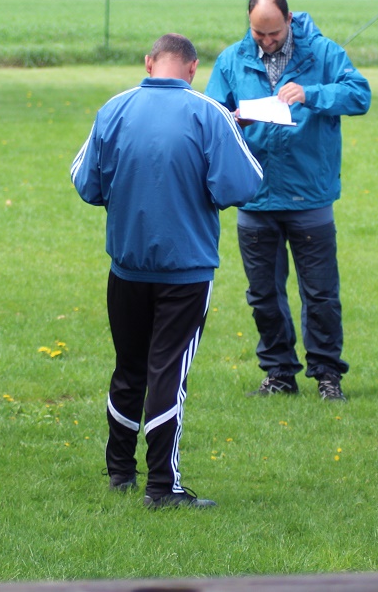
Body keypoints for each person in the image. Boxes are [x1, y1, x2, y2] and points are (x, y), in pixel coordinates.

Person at [71, 33, 263, 509]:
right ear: (193, 69)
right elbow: (245, 183)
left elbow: (85, 182)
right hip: (186, 269)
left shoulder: (113, 109)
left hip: (128, 267)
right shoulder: (209, 114)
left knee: (129, 368)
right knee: (167, 373)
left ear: (149, 63)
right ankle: (163, 486)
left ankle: (120, 471)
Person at [205, 0, 371, 401]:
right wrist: (233, 119)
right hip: (255, 197)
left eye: (274, 33)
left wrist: (311, 94)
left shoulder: (324, 53)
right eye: (259, 34)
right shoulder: (231, 60)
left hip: (308, 197)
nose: (266, 41)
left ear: (289, 19)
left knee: (320, 294)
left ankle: (328, 375)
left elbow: (360, 95)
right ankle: (279, 373)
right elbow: (210, 116)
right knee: (263, 295)